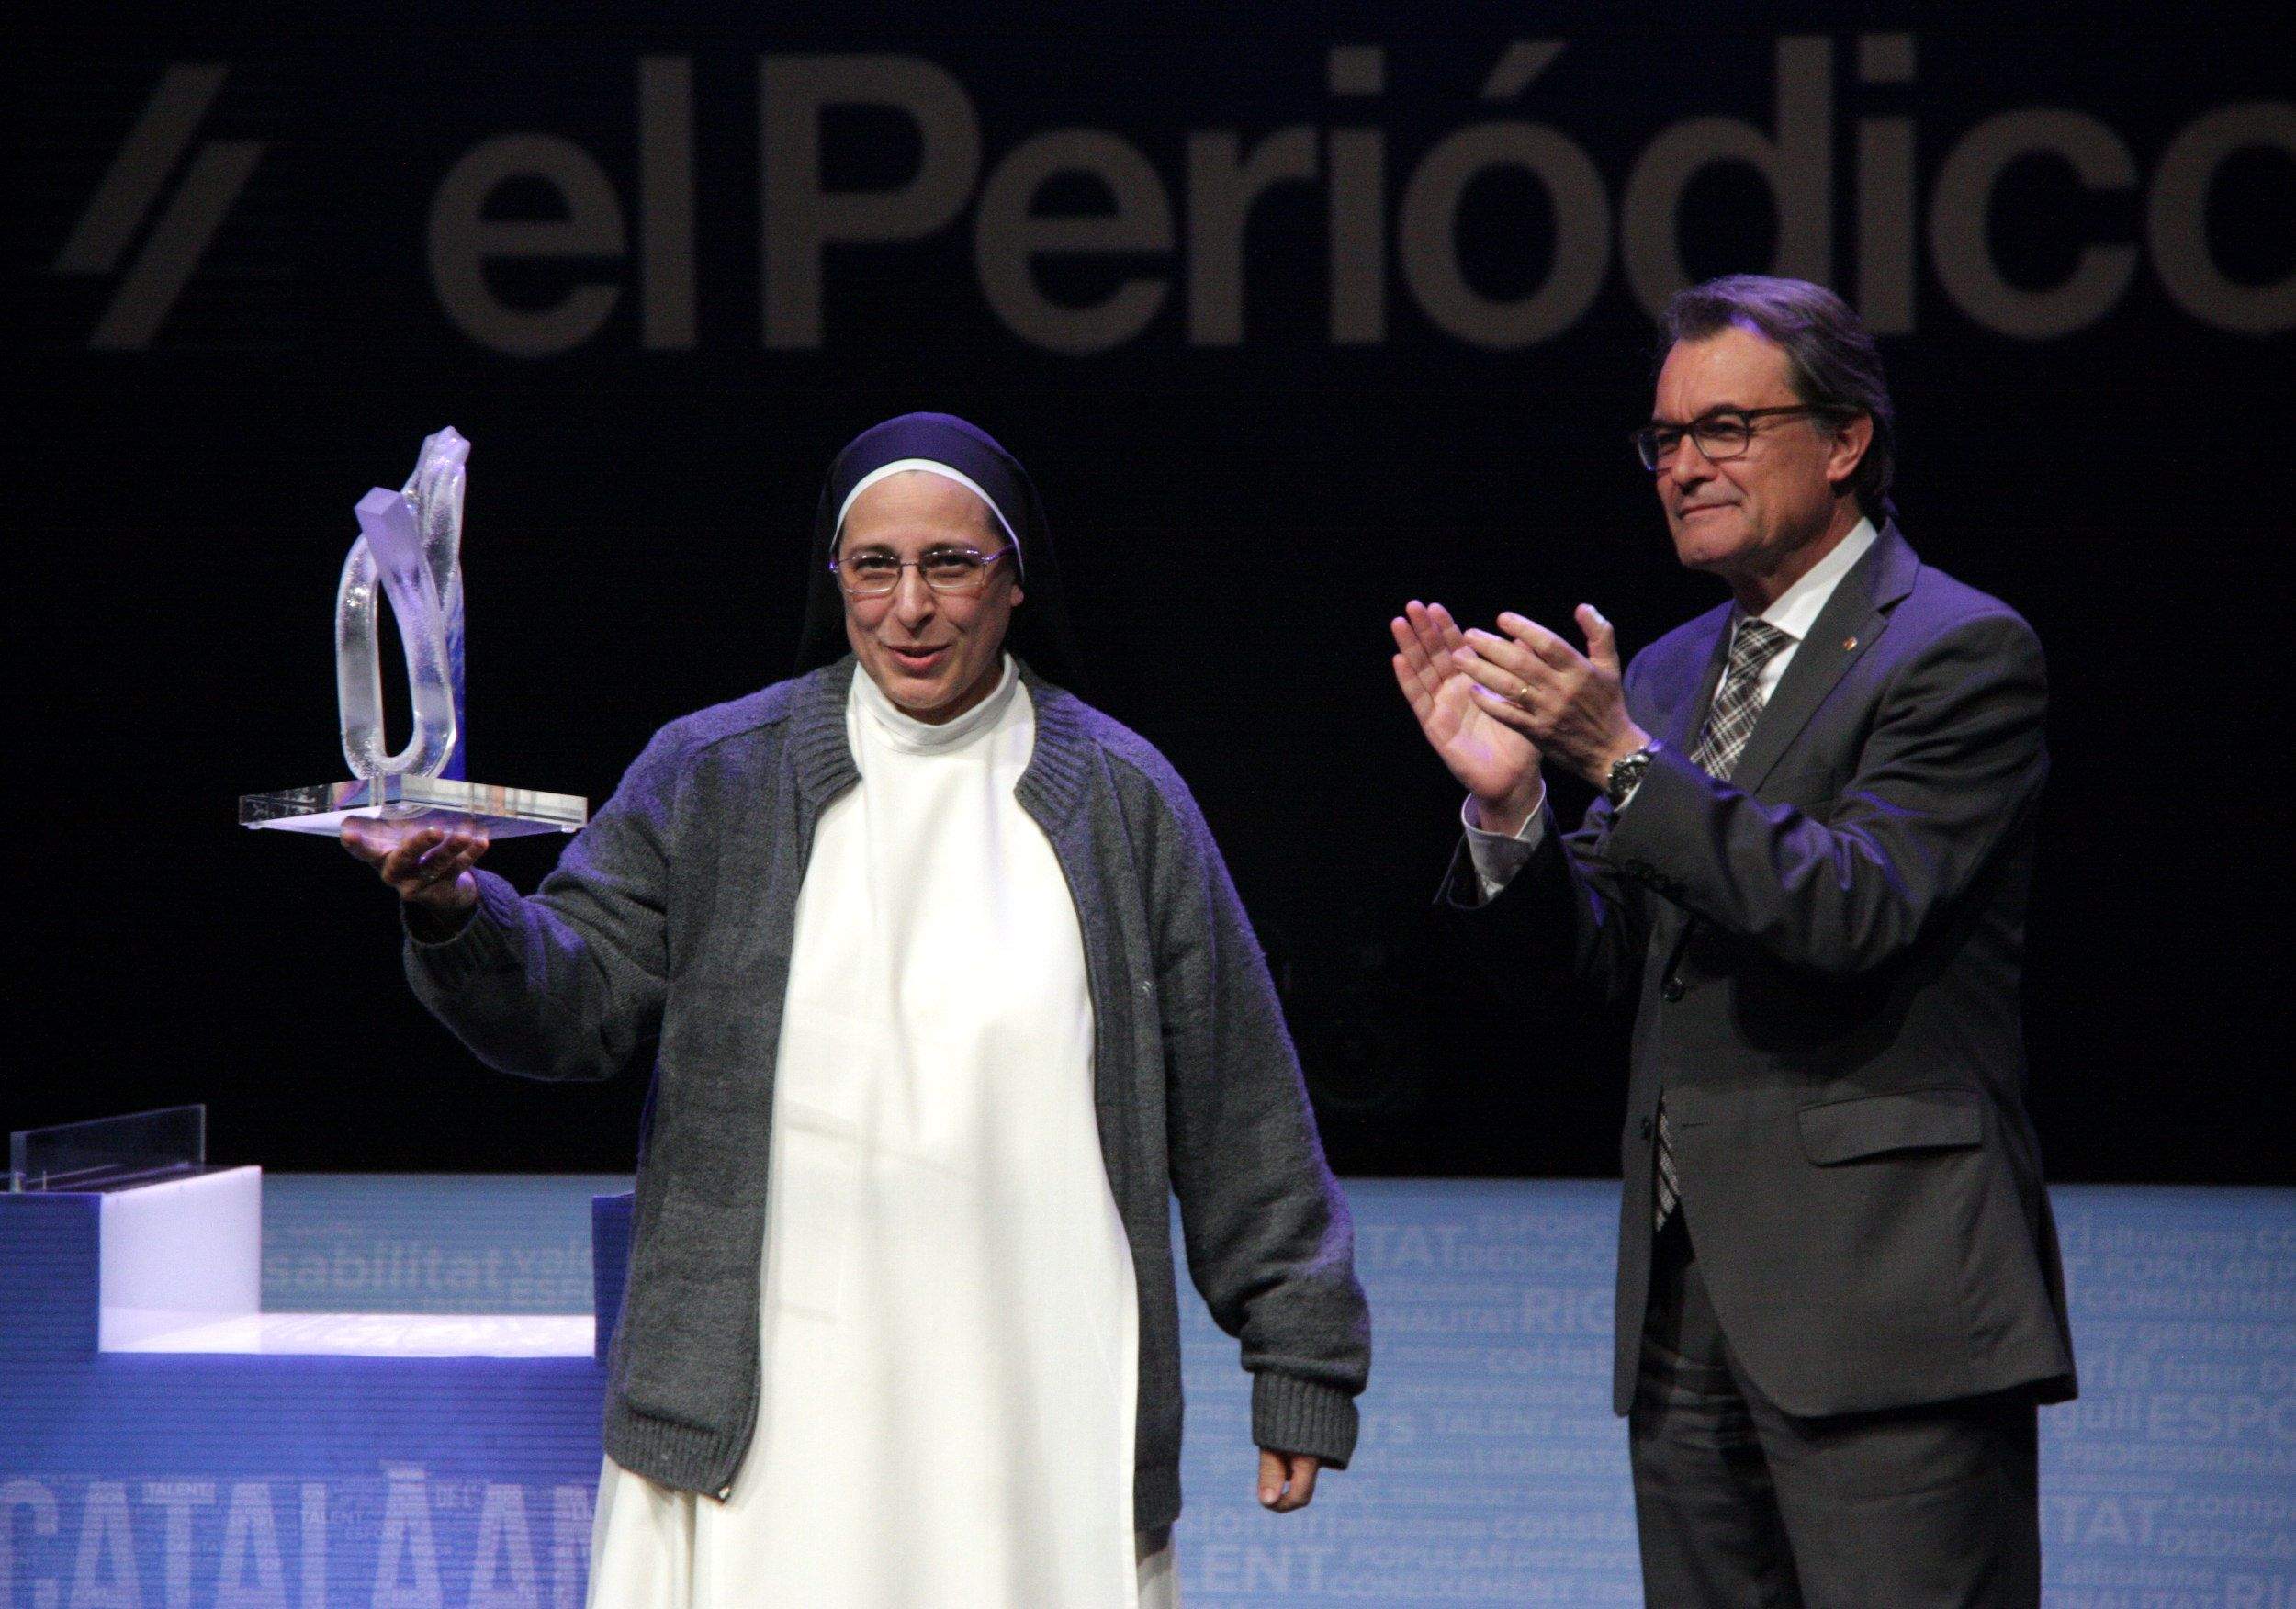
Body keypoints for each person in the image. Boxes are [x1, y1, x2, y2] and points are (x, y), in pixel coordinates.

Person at [346, 412, 1369, 1607]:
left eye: (951, 564)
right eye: (873, 567)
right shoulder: (714, 775)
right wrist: (454, 911)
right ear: (834, 578)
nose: (910, 606)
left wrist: (1299, 1357)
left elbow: (1238, 1098)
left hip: (1032, 1409)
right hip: (771, 1415)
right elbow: (573, 1004)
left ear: (1018, 579)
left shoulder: (1122, 802)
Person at [1391, 276, 2074, 1605]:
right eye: (1665, 440)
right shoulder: (1663, 673)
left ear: (1844, 440)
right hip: (1687, 1306)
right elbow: (1595, 964)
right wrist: (1514, 801)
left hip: (1886, 1302)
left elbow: (1857, 905)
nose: (1684, 467)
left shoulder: (1958, 649)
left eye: (1725, 430)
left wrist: (1626, 767)